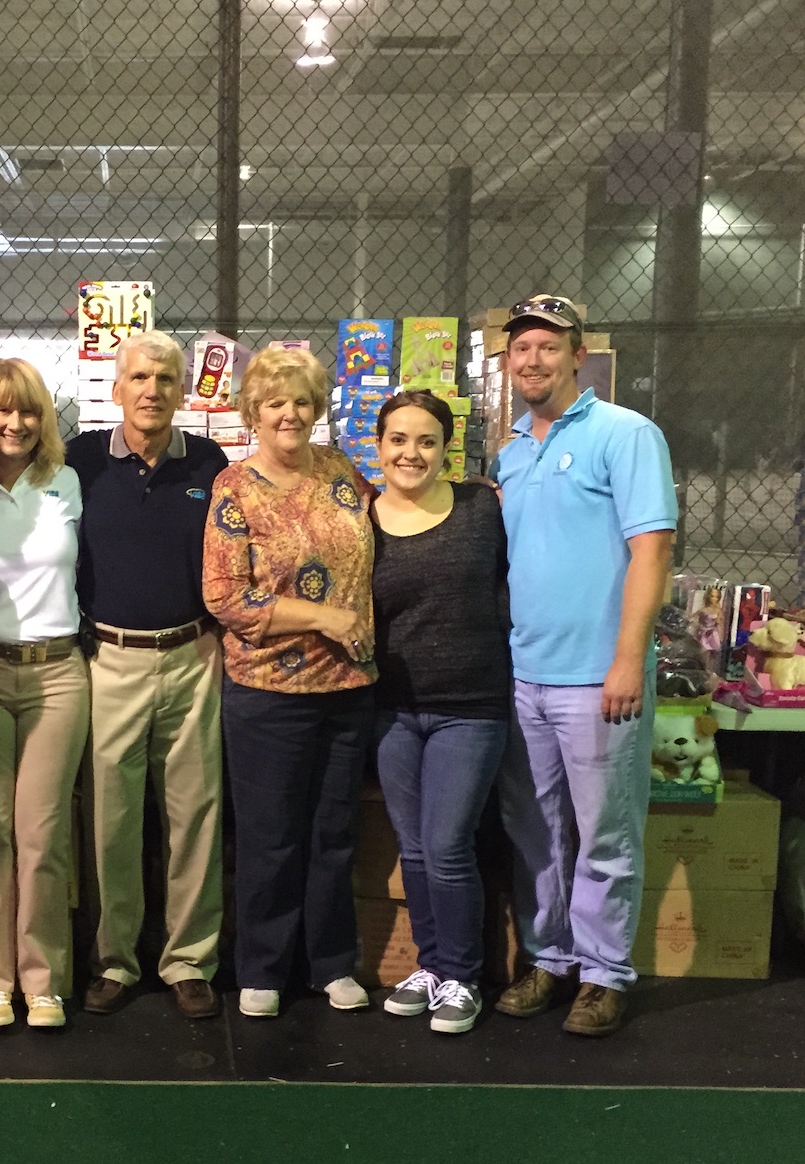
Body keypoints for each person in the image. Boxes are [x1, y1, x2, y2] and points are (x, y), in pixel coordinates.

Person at [491, 294, 676, 1036]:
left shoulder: (624, 434)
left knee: (605, 831)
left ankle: (604, 974)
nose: (532, 360)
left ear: (577, 355)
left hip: (600, 678)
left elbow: (651, 551)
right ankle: (549, 956)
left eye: (547, 346)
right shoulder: (511, 450)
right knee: (536, 829)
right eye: (520, 349)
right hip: (523, 675)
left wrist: (628, 658)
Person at [202, 346, 377, 1018]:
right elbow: (224, 596)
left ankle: (330, 964)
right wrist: (323, 616)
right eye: (276, 402)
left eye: (302, 402)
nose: (291, 414)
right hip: (266, 692)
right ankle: (264, 968)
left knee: (333, 833)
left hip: (348, 686)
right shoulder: (234, 488)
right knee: (271, 836)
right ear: (253, 411)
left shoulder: (341, 472)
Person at [66, 331, 227, 1020]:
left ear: (184, 389)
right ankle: (116, 961)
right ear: (116, 386)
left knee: (196, 816)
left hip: (194, 657)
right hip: (109, 660)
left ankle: (190, 959)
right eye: (139, 378)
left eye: (165, 379)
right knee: (112, 820)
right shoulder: (79, 462)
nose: (152, 391)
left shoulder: (212, 461)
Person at [0, 359, 89, 1030]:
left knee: (41, 833)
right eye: (2, 410)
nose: (16, 423)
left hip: (58, 675)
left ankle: (43, 982)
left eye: (29, 411)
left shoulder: (65, 482)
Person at [368, 390, 510, 1035]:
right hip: (392, 710)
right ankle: (431, 966)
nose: (411, 453)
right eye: (398, 439)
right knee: (417, 848)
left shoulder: (484, 508)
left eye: (426, 441)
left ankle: (463, 975)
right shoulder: (360, 522)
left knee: (450, 845)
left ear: (446, 449)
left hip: (470, 708)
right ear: (378, 447)